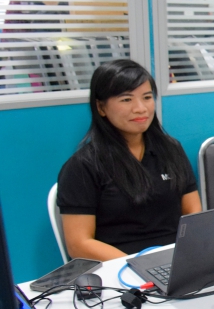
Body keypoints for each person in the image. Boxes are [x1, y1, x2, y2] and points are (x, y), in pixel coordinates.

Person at [56, 59, 202, 261]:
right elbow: (79, 244)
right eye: (126, 99)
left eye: (147, 97)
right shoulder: (83, 166)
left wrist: (190, 252)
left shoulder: (170, 149)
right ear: (101, 107)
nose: (140, 108)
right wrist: (137, 265)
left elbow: (193, 211)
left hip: (176, 259)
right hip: (119, 265)